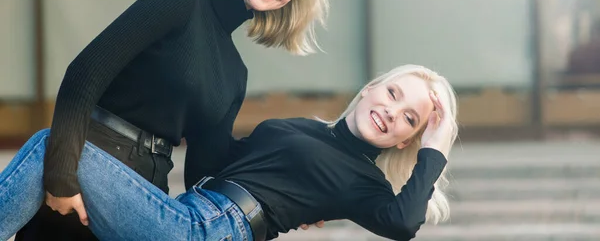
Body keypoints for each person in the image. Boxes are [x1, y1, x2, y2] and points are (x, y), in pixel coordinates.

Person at [15, 0, 330, 240]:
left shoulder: (236, 74)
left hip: (145, 200)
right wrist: (61, 176)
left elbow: (206, 174)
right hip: (86, 172)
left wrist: (292, 195)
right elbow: (84, 74)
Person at [1, 64, 458, 241]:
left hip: (208, 230)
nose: (392, 111)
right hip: (186, 212)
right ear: (372, 87)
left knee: (54, 149)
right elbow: (224, 158)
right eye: (393, 93)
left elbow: (402, 223)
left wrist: (434, 149)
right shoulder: (308, 130)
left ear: (405, 141)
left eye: (410, 120)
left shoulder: (365, 181)